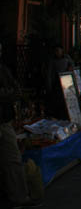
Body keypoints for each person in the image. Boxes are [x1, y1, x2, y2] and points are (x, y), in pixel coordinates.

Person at [0, 44, 42, 208]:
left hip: (4, 121)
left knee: (13, 159)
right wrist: (7, 93)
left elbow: (16, 90)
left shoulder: (3, 69)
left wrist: (7, 93)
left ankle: (19, 196)